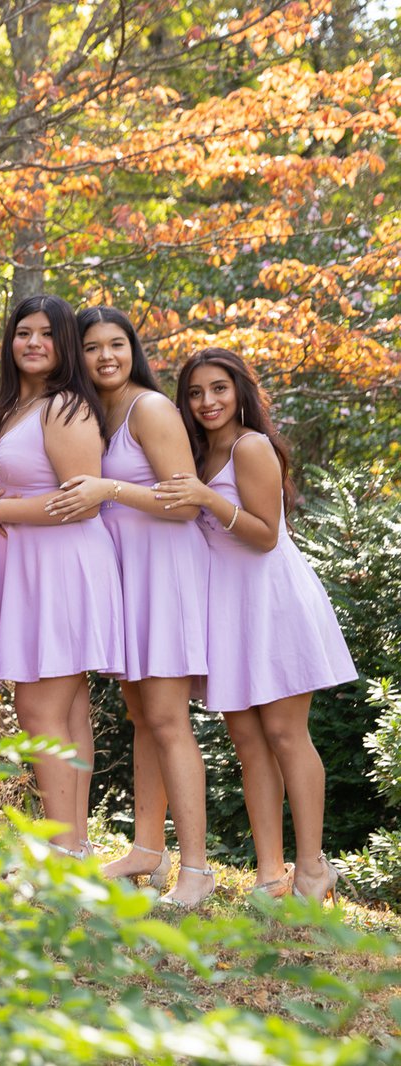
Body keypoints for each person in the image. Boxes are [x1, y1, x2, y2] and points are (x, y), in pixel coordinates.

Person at [155, 348, 355, 903]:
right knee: (247, 742)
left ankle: (311, 868)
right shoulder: (198, 452)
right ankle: (270, 874)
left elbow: (266, 535)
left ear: (240, 390)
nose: (207, 402)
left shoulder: (251, 446)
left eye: (218, 388)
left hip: (272, 601)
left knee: (287, 734)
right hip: (226, 608)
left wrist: (205, 498)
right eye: (195, 393)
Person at [0, 294, 123, 855]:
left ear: (63, 343)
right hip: (24, 562)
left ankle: (63, 853)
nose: (34, 343)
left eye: (47, 333)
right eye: (24, 332)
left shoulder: (67, 406)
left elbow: (81, 504)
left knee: (39, 709)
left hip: (63, 563)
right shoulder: (12, 407)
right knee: (65, 710)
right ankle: (76, 848)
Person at [45, 307, 213, 906]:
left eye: (116, 344)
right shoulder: (95, 411)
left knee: (167, 719)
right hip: (127, 575)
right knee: (142, 714)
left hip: (165, 572)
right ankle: (147, 849)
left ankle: (197, 869)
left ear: (132, 349)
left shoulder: (151, 408)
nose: (105, 356)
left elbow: (187, 503)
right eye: (92, 347)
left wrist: (110, 488)